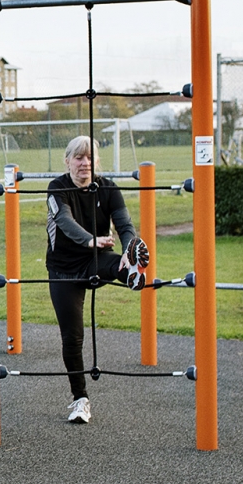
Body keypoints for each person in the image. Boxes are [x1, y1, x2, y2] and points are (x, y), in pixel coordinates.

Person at [45, 135, 150, 424]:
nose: (85, 163)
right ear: (67, 160)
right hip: (64, 269)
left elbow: (125, 224)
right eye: (79, 157)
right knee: (72, 338)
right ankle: (80, 399)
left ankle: (130, 269)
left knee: (117, 262)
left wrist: (129, 247)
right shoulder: (57, 187)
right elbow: (64, 222)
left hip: (95, 260)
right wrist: (91, 240)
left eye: (90, 157)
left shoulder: (107, 188)